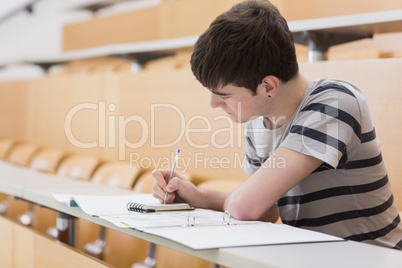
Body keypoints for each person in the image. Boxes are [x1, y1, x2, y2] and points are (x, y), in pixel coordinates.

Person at [151, 0, 402, 249]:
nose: (213, 103)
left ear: (268, 86)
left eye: (224, 94)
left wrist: (217, 199)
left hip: (373, 258)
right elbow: (264, 212)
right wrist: (196, 196)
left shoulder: (335, 102)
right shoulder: (258, 122)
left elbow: (244, 207)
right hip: (319, 257)